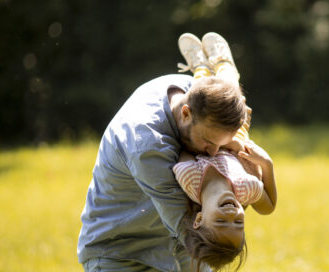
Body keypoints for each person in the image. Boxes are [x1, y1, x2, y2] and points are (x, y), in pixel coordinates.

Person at [76, 34, 249, 271]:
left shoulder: (195, 93)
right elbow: (187, 225)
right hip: (120, 253)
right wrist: (226, 247)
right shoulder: (147, 143)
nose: (214, 152)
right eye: (209, 142)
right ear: (186, 114)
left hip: (173, 245)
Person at [172, 32, 278, 272]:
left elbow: (185, 147)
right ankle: (223, 63)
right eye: (239, 222)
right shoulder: (245, 189)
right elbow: (268, 206)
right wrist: (267, 165)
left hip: (214, 139)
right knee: (231, 93)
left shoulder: (190, 179)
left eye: (221, 221)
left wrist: (220, 145)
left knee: (206, 98)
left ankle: (199, 66)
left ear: (199, 220)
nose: (232, 213)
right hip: (235, 136)